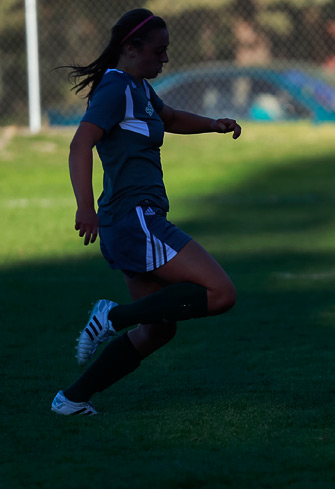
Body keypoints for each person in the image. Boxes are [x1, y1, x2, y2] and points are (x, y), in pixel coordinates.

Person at [51, 9, 242, 415]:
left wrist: (214, 124)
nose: (166, 59)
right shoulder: (115, 89)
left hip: (130, 223)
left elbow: (169, 117)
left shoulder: (137, 87)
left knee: (157, 329)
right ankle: (111, 315)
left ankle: (71, 399)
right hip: (134, 218)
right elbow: (79, 144)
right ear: (131, 49)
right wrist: (85, 207)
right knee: (221, 293)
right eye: (159, 51)